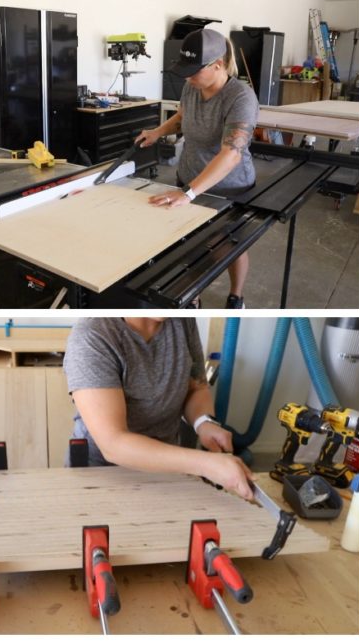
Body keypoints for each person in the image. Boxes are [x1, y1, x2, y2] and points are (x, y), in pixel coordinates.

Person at [63, 317, 254, 500]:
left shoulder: (182, 319)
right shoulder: (92, 335)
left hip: (168, 467)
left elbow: (196, 387)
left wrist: (204, 423)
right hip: (103, 473)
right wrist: (205, 465)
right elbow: (113, 444)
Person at [136, 28, 259, 309]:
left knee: (227, 245)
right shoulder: (192, 87)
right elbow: (183, 115)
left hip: (229, 188)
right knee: (191, 246)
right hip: (188, 179)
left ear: (217, 65)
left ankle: (236, 295)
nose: (187, 77)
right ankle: (193, 295)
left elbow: (231, 154)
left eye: (194, 71)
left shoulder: (240, 98)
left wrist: (188, 194)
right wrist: (158, 132)